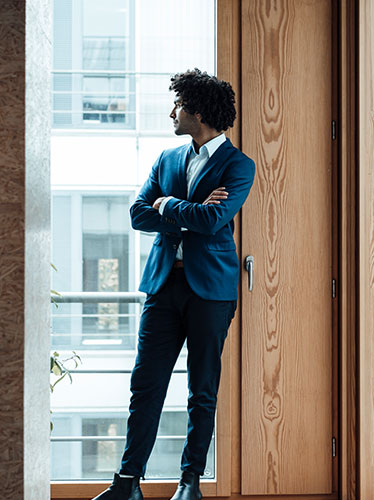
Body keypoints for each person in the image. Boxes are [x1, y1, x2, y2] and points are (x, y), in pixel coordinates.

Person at [92, 69, 255, 500]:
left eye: (178, 106)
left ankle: (190, 483)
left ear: (197, 112)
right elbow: (137, 214)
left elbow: (212, 219)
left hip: (211, 292)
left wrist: (166, 203)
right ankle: (127, 482)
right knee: (146, 384)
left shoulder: (238, 166)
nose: (172, 113)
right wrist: (181, 207)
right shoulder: (167, 159)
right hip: (163, 286)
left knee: (201, 389)